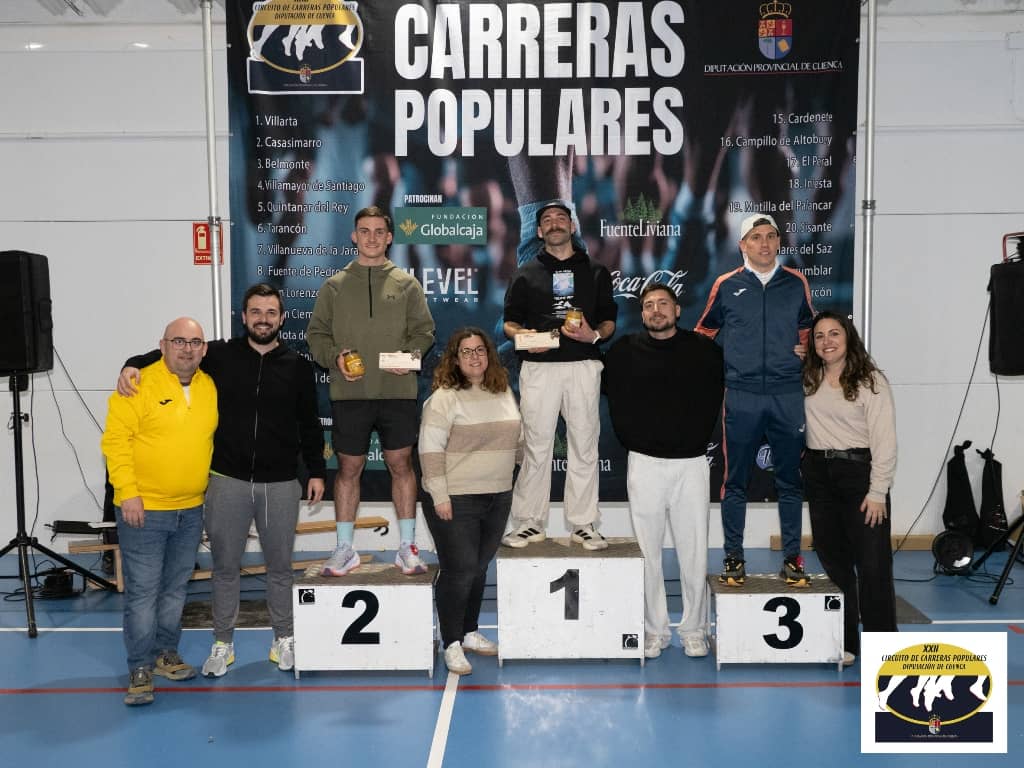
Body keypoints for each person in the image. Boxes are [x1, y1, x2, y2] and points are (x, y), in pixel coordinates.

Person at [117, 283, 326, 678]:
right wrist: (132, 363)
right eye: (255, 312)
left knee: (280, 568)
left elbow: (309, 423)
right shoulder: (219, 355)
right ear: (243, 317)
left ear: (282, 319)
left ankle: (284, 638)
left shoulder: (298, 366)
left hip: (281, 483)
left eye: (270, 312)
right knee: (225, 568)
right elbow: (172, 353)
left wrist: (316, 470)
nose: (263, 319)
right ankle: (223, 643)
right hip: (227, 481)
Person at [307, 205, 436, 576]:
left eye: (380, 231)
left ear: (390, 237)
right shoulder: (334, 286)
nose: (372, 238)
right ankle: (344, 548)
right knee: (348, 468)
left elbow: (424, 333)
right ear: (354, 236)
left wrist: (411, 357)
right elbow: (316, 335)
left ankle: (407, 547)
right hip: (351, 394)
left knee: (401, 464)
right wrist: (335, 358)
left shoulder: (407, 284)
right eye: (365, 231)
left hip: (398, 392)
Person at [602, 284, 724, 659]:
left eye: (663, 304)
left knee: (694, 553)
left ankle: (694, 630)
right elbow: (607, 395)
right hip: (644, 464)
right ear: (642, 314)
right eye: (649, 305)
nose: (656, 310)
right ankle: (655, 630)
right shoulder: (622, 351)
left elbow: (717, 396)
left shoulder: (705, 350)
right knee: (647, 554)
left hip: (691, 464)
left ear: (677, 310)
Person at [101, 317, 218, 706]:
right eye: (178, 341)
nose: (187, 349)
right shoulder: (137, 384)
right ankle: (139, 666)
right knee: (143, 593)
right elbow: (115, 442)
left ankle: (166, 653)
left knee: (174, 590)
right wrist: (128, 494)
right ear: (163, 345)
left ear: (204, 348)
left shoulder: (208, 386)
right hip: (145, 510)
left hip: (191, 509)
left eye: (195, 342)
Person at [695, 213, 814, 587]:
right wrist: (720, 370)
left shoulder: (795, 282)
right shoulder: (727, 284)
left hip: (787, 393)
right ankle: (733, 557)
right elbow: (704, 332)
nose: (764, 243)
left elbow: (809, 328)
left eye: (770, 236)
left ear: (779, 241)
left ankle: (793, 559)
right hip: (742, 395)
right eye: (756, 237)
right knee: (735, 482)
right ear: (743, 245)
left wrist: (807, 350)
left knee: (790, 481)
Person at [501, 201, 618, 550]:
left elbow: (609, 321)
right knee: (536, 446)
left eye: (561, 218)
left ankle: (583, 524)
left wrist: (593, 335)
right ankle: (529, 522)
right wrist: (523, 336)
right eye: (547, 220)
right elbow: (509, 322)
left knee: (585, 445)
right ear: (539, 231)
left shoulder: (596, 271)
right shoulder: (525, 273)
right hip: (539, 368)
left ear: (572, 225)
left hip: (583, 365)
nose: (554, 224)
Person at [419, 328, 523, 675]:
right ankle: (450, 642)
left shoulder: (503, 391)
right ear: (454, 358)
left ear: (489, 356)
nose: (475, 357)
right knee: (460, 569)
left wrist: (516, 472)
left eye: (480, 350)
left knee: (478, 568)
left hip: (498, 496)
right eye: (466, 351)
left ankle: (469, 632)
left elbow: (518, 439)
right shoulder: (443, 398)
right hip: (455, 498)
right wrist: (440, 496)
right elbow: (430, 451)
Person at [802, 311, 897, 665]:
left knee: (873, 565)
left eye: (834, 334)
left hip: (859, 476)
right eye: (819, 336)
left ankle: (883, 649)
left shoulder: (871, 380)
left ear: (848, 337)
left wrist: (878, 491)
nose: (827, 341)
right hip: (818, 475)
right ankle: (846, 643)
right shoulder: (809, 377)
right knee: (835, 564)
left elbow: (885, 441)